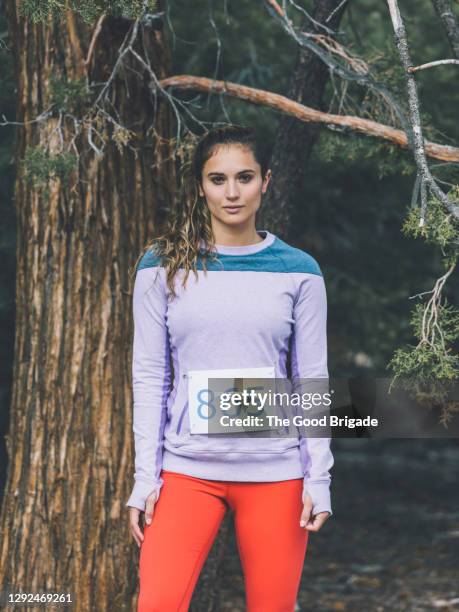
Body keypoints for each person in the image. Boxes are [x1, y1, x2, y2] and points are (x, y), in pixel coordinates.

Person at [126, 124, 334, 611]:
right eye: (218, 179)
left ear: (266, 181)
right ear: (201, 186)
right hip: (185, 472)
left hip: (277, 474)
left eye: (245, 177)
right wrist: (144, 478)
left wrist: (318, 478)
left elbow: (312, 379)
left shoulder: (299, 270)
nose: (232, 192)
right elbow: (152, 377)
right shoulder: (162, 267)